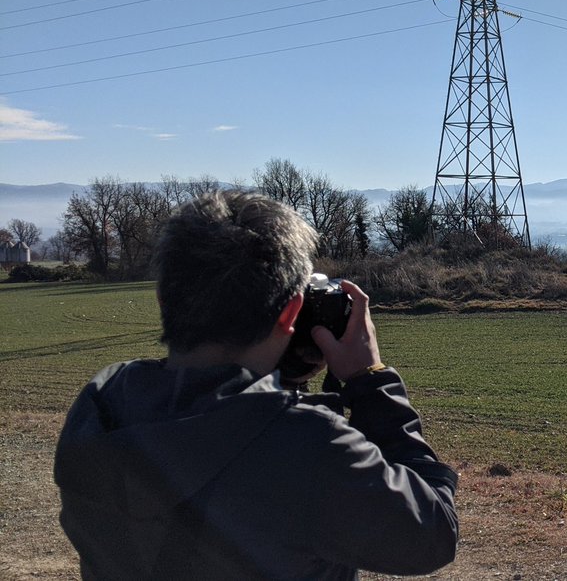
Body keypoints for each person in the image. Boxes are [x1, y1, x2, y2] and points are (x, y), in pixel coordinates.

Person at [54, 190, 458, 580]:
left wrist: (279, 383)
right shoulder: (309, 447)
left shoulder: (102, 405)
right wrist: (370, 381)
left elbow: (211, 439)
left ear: (163, 299)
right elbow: (432, 535)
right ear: (292, 313)